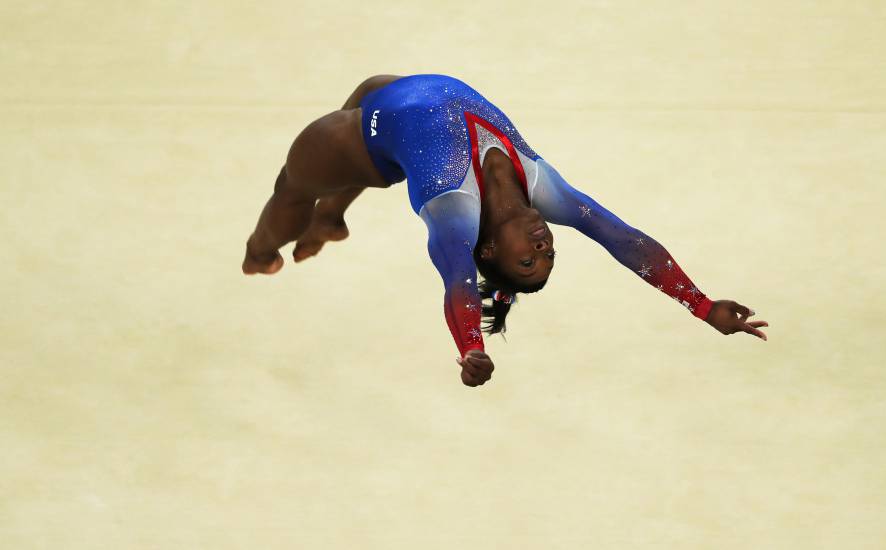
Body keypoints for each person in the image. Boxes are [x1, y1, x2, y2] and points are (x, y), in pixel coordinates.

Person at [242, 74, 769, 388]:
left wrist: (472, 347)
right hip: (391, 91)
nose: (544, 249)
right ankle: (332, 219)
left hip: (362, 133)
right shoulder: (545, 189)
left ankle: (260, 251)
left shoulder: (455, 212)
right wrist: (700, 305)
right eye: (548, 257)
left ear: (488, 249)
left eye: (527, 262)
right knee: (374, 108)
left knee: (290, 186)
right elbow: (625, 240)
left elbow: (457, 284)